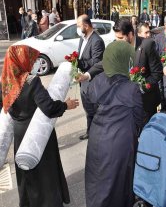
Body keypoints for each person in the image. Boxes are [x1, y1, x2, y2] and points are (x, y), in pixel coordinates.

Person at [0, 45, 79, 207]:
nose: (34, 62)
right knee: (45, 172)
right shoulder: (31, 81)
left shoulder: (5, 82)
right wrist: (66, 105)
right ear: (22, 60)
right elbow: (48, 107)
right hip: (38, 131)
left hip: (19, 133)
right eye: (32, 58)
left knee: (26, 171)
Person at [85, 41, 144, 207]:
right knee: (118, 182)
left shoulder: (97, 80)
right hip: (120, 140)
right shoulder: (131, 88)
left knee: (97, 178)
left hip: (97, 136)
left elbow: (89, 103)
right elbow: (139, 117)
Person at [114, 19, 163, 123]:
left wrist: (140, 86)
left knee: (147, 133)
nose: (117, 41)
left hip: (146, 101)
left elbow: (157, 73)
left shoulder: (147, 45)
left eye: (120, 38)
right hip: (127, 102)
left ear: (130, 34)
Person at [76, 14, 105, 140]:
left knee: (93, 109)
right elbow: (81, 56)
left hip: (91, 81)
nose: (77, 28)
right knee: (88, 109)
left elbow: (96, 62)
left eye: (79, 25)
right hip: (83, 80)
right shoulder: (83, 38)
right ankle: (90, 131)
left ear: (86, 26)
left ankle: (97, 134)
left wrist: (80, 63)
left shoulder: (97, 40)